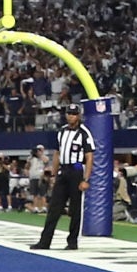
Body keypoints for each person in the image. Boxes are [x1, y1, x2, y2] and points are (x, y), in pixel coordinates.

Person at [34, 103, 96, 252]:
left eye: (74, 114)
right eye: (69, 113)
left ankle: (72, 241)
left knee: (75, 209)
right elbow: (57, 154)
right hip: (64, 170)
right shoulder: (61, 132)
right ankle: (45, 241)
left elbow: (89, 158)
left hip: (76, 170)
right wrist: (54, 174)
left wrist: (86, 179)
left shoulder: (84, 133)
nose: (71, 116)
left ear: (78, 116)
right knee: (54, 208)